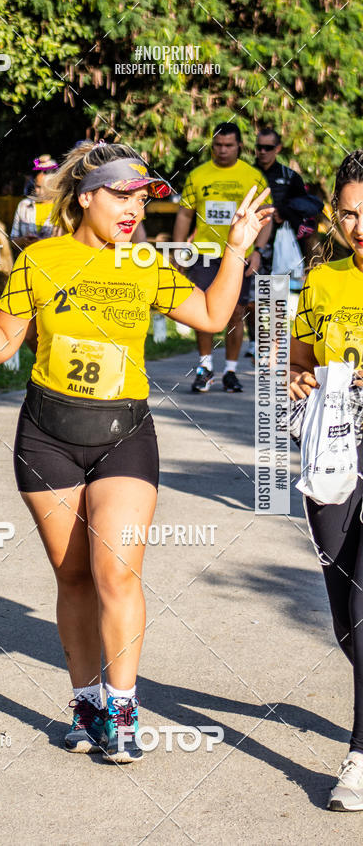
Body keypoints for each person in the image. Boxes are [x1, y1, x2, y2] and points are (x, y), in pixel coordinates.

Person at [0, 141, 272, 762]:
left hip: (125, 435)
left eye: (142, 198)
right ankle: (85, 704)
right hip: (47, 435)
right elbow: (4, 350)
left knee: (117, 572)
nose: (134, 208)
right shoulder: (40, 259)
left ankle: (123, 706)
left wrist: (237, 248)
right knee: (75, 576)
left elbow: (215, 315)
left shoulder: (145, 260)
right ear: (85, 197)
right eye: (121, 194)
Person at [290, 149, 363, 811]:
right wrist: (300, 376)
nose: (360, 225)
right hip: (333, 447)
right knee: (344, 620)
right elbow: (300, 357)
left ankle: (360, 760)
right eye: (350, 213)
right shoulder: (324, 282)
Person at [173, 122, 271, 393]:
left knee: (236, 313)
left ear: (239, 145)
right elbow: (184, 214)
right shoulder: (198, 175)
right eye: (217, 145)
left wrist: (259, 252)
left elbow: (266, 218)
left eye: (228, 145)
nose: (223, 150)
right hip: (205, 253)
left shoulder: (252, 176)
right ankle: (205, 368)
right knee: (202, 309)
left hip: (239, 254)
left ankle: (230, 371)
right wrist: (180, 249)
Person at [244, 127, 310, 359]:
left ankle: (276, 346)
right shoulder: (247, 172)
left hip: (279, 247)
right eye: (259, 147)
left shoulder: (290, 176)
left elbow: (309, 207)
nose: (262, 152)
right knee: (251, 301)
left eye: (268, 148)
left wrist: (284, 212)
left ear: (278, 149)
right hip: (250, 245)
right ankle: (254, 341)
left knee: (275, 299)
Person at [10, 154, 60, 246]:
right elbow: (13, 240)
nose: (40, 191)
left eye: (45, 187)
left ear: (54, 185)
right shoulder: (24, 205)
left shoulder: (62, 208)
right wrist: (23, 240)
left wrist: (41, 243)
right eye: (37, 186)